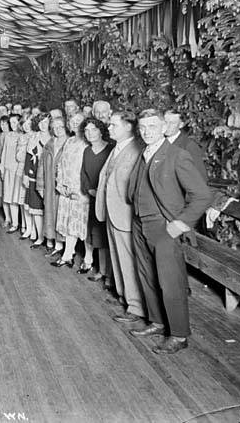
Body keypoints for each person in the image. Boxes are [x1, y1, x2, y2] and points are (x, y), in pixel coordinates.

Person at [127, 109, 212, 355]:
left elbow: (202, 195)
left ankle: (179, 334)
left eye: (152, 126)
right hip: (140, 223)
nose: (146, 132)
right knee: (147, 275)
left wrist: (180, 224)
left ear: (164, 128)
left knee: (170, 281)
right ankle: (157, 322)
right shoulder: (144, 153)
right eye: (142, 127)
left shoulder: (177, 155)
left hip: (164, 226)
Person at [97, 110, 145, 324]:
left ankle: (136, 307)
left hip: (125, 215)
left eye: (113, 125)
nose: (109, 128)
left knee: (128, 261)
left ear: (128, 126)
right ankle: (124, 297)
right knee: (117, 258)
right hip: (112, 212)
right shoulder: (117, 148)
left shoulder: (137, 150)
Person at [51, 113, 88, 268]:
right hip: (65, 189)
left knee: (79, 225)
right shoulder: (69, 141)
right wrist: (60, 184)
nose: (74, 124)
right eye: (72, 121)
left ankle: (85, 259)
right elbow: (61, 164)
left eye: (78, 121)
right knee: (68, 224)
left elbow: (87, 168)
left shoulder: (87, 142)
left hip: (79, 190)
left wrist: (78, 188)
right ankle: (68, 253)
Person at [80, 117, 114, 277]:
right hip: (92, 198)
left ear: (101, 131)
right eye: (87, 130)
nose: (90, 133)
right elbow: (83, 174)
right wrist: (88, 189)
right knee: (93, 234)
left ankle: (106, 273)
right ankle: (96, 266)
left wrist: (101, 192)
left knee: (104, 237)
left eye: (94, 129)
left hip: (106, 199)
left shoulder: (111, 149)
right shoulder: (87, 151)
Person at [37, 116, 69, 257]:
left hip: (63, 186)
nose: (57, 130)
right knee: (50, 213)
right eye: (54, 127)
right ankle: (54, 243)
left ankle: (64, 246)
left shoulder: (70, 143)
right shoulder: (49, 143)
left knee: (62, 215)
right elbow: (41, 165)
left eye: (60, 126)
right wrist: (40, 185)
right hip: (49, 184)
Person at [22, 113, 48, 245]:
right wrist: (26, 174)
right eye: (41, 122)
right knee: (36, 208)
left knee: (48, 208)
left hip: (48, 177)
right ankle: (40, 236)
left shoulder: (54, 138)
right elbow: (28, 157)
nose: (43, 125)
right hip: (34, 175)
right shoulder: (34, 137)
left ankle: (50, 240)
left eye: (46, 122)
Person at [164, 109, 206, 182]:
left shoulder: (189, 146)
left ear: (181, 125)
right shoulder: (157, 143)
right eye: (165, 122)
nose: (167, 126)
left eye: (172, 123)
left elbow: (201, 178)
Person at [0, 114, 25, 233]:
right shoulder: (8, 136)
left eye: (15, 122)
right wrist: (2, 168)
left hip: (19, 171)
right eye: (11, 123)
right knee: (8, 196)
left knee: (18, 199)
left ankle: (22, 225)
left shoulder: (23, 136)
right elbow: (4, 152)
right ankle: (13, 222)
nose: (13, 125)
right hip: (8, 169)